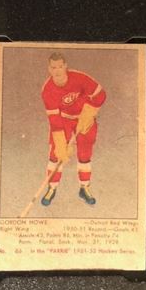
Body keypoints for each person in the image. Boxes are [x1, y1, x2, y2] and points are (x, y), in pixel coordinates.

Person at [40, 52, 107, 206]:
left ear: (65, 66)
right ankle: (52, 187)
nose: (57, 70)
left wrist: (89, 112)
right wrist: (60, 144)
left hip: (84, 117)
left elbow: (101, 95)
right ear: (49, 69)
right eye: (53, 67)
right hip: (64, 120)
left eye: (60, 66)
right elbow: (54, 120)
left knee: (85, 153)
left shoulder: (79, 78)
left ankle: (84, 187)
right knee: (56, 153)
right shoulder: (47, 90)